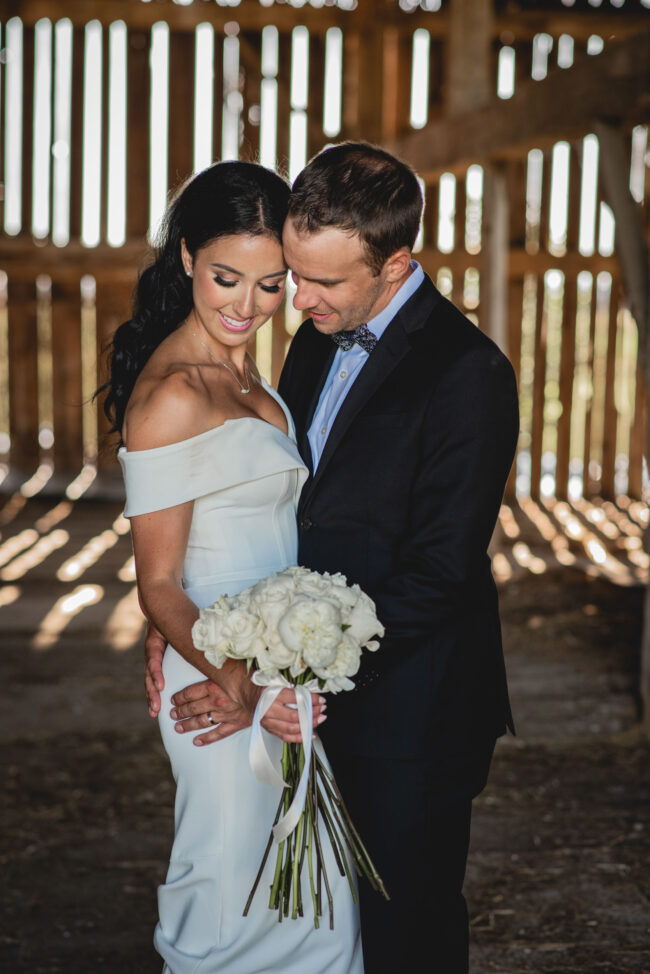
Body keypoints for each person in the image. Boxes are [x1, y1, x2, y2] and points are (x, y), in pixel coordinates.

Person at [145, 142, 519, 974]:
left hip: (411, 708)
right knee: (318, 921)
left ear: (395, 266)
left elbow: (440, 572)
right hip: (296, 693)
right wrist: (191, 613)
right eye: (292, 274)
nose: (294, 298)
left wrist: (294, 671)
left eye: (320, 282)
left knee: (403, 929)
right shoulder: (319, 329)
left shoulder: (470, 375)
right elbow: (287, 502)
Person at [105, 160, 362, 973]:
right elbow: (159, 586)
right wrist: (245, 689)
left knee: (315, 903)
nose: (245, 307)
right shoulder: (173, 394)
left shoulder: (262, 381)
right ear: (185, 258)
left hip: (288, 671)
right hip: (217, 681)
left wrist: (292, 668)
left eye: (270, 285)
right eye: (226, 278)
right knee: (227, 897)